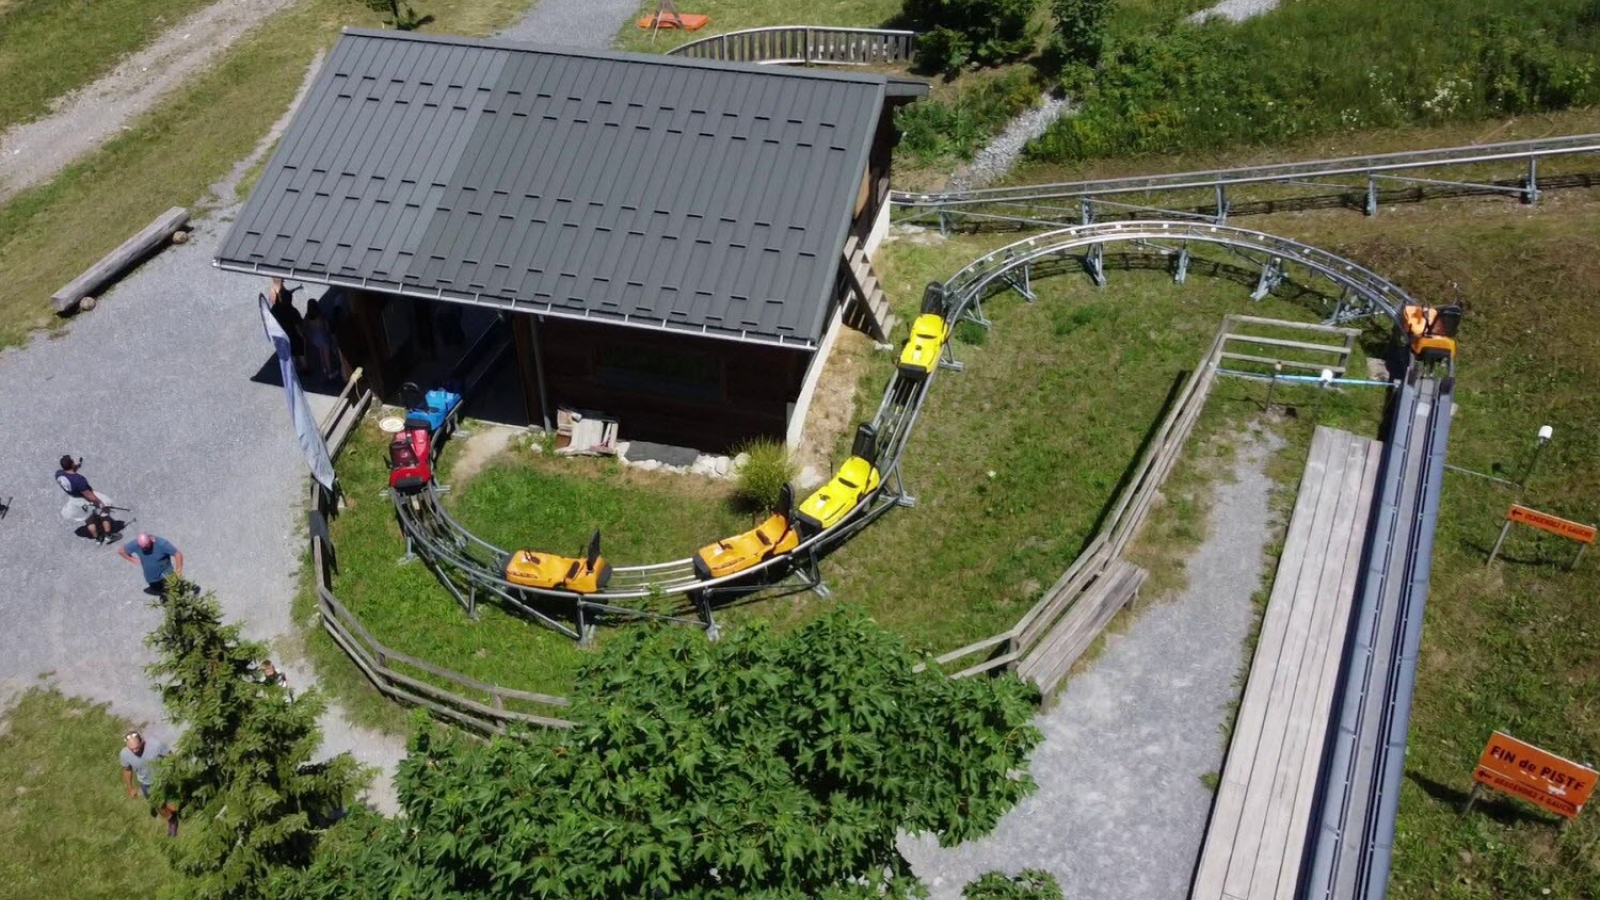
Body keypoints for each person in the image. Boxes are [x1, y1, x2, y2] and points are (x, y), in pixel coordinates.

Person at [54, 455, 117, 544]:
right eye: (72, 461)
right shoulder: (79, 480)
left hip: (74, 500)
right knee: (105, 510)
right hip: (85, 499)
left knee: (88, 518)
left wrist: (76, 467)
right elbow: (88, 495)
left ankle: (98, 539)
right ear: (71, 463)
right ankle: (108, 535)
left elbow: (69, 475)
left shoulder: (58, 474)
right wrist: (100, 503)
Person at [118, 532, 183, 597]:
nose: (145, 549)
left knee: (175, 591)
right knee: (159, 590)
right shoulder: (136, 543)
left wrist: (178, 572)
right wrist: (133, 559)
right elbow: (121, 551)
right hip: (152, 577)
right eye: (143, 548)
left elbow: (178, 554)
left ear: (151, 540)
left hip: (166, 573)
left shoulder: (162, 544)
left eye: (146, 547)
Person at [267, 277, 308, 375]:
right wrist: (303, 336)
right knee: (301, 353)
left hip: (284, 336)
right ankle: (306, 370)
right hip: (295, 336)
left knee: (291, 355)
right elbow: (298, 325)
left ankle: (293, 372)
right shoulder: (293, 312)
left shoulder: (275, 310)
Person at [119, 730, 169, 800]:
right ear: (127, 745)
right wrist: (130, 789)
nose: (135, 751)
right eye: (131, 749)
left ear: (142, 741)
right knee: (158, 806)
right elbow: (127, 770)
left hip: (164, 780)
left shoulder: (156, 745)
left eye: (137, 747)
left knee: (171, 806)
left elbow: (171, 757)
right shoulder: (124, 754)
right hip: (146, 785)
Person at [303, 299, 339, 382]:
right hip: (323, 337)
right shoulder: (320, 315)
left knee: (321, 353)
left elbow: (305, 327)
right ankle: (330, 372)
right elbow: (327, 326)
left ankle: (324, 369)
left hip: (315, 338)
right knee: (327, 355)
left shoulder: (308, 316)